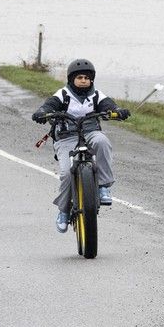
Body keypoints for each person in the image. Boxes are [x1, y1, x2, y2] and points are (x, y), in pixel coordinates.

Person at [32, 58, 130, 233]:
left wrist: (117, 111)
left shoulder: (97, 95)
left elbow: (109, 105)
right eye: (79, 77)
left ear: (91, 79)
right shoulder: (62, 94)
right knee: (66, 174)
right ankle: (63, 210)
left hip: (91, 132)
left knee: (102, 141)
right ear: (71, 79)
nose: (83, 80)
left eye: (87, 77)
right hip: (66, 137)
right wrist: (42, 113)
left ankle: (103, 186)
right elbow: (48, 105)